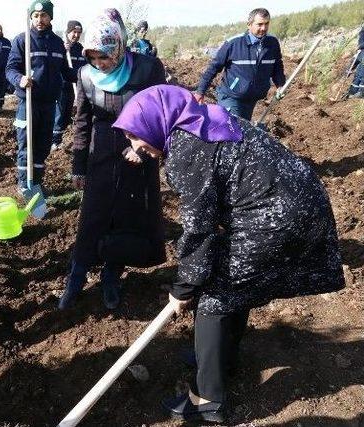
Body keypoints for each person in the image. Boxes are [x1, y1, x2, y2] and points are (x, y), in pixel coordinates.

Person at [113, 84, 346, 423]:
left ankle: (208, 400)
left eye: (136, 136)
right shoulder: (201, 121)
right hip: (300, 201)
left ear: (156, 120)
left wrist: (185, 287)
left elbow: (199, 228)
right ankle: (221, 360)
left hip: (276, 216)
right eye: (130, 139)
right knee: (234, 283)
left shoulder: (186, 148)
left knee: (213, 297)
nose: (136, 147)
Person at [58, 8, 166, 311]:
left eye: (104, 57)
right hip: (102, 150)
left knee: (126, 217)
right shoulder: (85, 75)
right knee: (93, 217)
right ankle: (75, 278)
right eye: (92, 57)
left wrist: (146, 146)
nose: (99, 64)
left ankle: (111, 277)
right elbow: (82, 121)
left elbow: (163, 110)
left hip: (138, 152)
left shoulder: (146, 69)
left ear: (118, 47)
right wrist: (79, 165)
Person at [5, 0, 77, 195]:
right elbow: (10, 69)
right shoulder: (22, 40)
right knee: (26, 144)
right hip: (28, 102)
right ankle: (24, 185)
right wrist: (19, 79)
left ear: (50, 17)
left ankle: (36, 183)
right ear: (31, 17)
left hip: (49, 104)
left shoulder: (57, 43)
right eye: (35, 16)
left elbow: (65, 71)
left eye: (43, 15)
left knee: (43, 146)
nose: (39, 19)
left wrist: (84, 74)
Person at [194, 8, 285, 120]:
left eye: (267, 24)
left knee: (242, 132)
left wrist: (280, 85)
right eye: (259, 24)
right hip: (231, 97)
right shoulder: (233, 44)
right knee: (231, 129)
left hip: (252, 99)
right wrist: (200, 92)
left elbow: (277, 66)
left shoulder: (272, 43)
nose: (264, 28)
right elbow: (214, 67)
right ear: (249, 24)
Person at [51, 20, 86, 149]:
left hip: (75, 88)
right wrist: (63, 50)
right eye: (74, 32)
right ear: (68, 32)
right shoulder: (61, 47)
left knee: (66, 115)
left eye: (79, 33)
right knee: (59, 115)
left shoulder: (80, 49)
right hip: (61, 86)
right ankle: (54, 141)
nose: (76, 35)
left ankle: (59, 139)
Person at [347, 25, 364, 98]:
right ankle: (352, 91)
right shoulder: (362, 32)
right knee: (359, 72)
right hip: (361, 50)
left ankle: (361, 92)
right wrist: (348, 70)